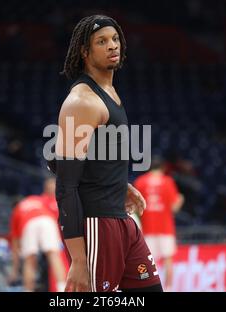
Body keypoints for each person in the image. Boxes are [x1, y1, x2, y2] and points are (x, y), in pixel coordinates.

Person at [49, 15, 162, 292]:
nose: (112, 46)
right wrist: (78, 259)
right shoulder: (82, 101)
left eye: (114, 39)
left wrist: (119, 184)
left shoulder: (109, 92)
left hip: (122, 221)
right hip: (97, 225)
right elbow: (65, 183)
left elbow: (88, 157)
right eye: (102, 41)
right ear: (85, 52)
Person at [133, 156, 184, 291]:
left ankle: (148, 289)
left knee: (149, 263)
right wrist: (180, 200)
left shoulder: (140, 181)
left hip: (148, 229)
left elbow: (135, 208)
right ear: (163, 168)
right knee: (168, 261)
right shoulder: (168, 181)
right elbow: (174, 207)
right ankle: (167, 289)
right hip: (166, 229)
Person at [9, 195, 66, 292]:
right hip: (48, 220)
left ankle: (28, 290)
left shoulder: (16, 210)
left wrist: (14, 270)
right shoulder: (36, 198)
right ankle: (62, 289)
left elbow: (15, 244)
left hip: (29, 223)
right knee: (54, 256)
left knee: (30, 260)